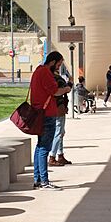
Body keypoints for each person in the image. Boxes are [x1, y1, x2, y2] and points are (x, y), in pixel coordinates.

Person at [30, 51, 72, 190]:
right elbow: (55, 91)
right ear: (53, 62)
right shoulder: (46, 73)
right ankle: (44, 182)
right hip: (47, 114)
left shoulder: (37, 71)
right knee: (44, 148)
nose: (58, 68)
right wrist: (66, 88)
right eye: (58, 64)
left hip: (39, 112)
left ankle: (38, 180)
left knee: (39, 146)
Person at [49, 66, 73, 167]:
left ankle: (60, 155)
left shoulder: (49, 78)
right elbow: (66, 89)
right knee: (59, 132)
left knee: (60, 132)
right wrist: (70, 83)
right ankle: (52, 157)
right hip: (58, 108)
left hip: (55, 108)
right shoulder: (57, 78)